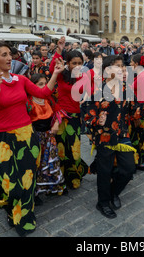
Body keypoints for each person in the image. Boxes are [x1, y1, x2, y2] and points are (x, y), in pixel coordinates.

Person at [0, 42, 63, 236]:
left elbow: (43, 93)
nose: (9, 58)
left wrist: (55, 74)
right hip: (5, 140)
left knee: (27, 181)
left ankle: (24, 217)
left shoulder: (20, 79)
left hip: (26, 136)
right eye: (4, 55)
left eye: (10, 54)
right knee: (11, 183)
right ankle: (12, 211)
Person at [84, 55, 144, 218]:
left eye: (122, 66)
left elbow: (134, 112)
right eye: (117, 66)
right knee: (104, 173)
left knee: (128, 169)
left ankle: (113, 193)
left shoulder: (126, 88)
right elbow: (87, 116)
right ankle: (103, 203)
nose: (121, 69)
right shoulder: (96, 91)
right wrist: (97, 120)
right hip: (103, 136)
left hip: (122, 135)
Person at [49, 41, 89, 190]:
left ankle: (75, 176)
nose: (77, 66)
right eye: (74, 63)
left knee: (74, 149)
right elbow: (52, 67)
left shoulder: (84, 76)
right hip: (59, 117)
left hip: (74, 118)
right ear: (68, 63)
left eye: (80, 63)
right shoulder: (61, 75)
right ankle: (61, 177)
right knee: (60, 149)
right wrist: (59, 50)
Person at [28, 73, 66, 199]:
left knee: (50, 164)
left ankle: (52, 186)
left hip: (49, 137)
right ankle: (36, 191)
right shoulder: (27, 101)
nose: (44, 87)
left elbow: (59, 110)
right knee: (36, 165)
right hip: (34, 138)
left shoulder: (48, 98)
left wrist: (56, 123)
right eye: (40, 84)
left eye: (46, 83)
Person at [129, 54, 144, 171]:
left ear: (136, 64)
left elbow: (142, 97)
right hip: (142, 109)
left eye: (132, 62)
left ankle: (139, 161)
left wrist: (138, 114)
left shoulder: (142, 76)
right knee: (140, 136)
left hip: (141, 110)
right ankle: (139, 160)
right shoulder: (141, 75)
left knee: (140, 137)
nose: (130, 64)